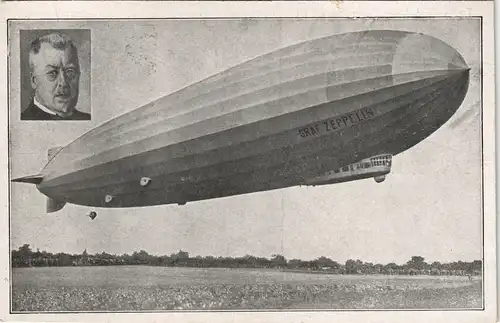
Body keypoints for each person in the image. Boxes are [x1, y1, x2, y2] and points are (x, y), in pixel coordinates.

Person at [22, 32, 90, 120]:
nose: (64, 82)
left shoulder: (87, 118)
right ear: (34, 80)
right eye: (52, 73)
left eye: (70, 72)